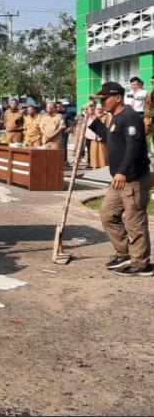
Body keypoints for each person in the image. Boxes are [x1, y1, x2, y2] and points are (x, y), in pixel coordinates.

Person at [88, 81, 152, 276]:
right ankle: (124, 252)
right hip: (119, 181)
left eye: (104, 99)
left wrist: (123, 171)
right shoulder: (114, 117)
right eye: (100, 100)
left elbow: (134, 146)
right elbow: (110, 137)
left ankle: (141, 264)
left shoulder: (130, 117)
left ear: (117, 98)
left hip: (132, 178)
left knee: (134, 221)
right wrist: (93, 118)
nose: (102, 103)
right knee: (108, 214)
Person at [86, 102, 110, 169]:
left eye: (101, 109)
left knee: (102, 152)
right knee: (94, 151)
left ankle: (103, 165)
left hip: (102, 137)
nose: (99, 110)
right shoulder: (93, 115)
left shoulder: (106, 116)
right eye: (98, 109)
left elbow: (108, 125)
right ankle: (94, 165)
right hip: (93, 136)